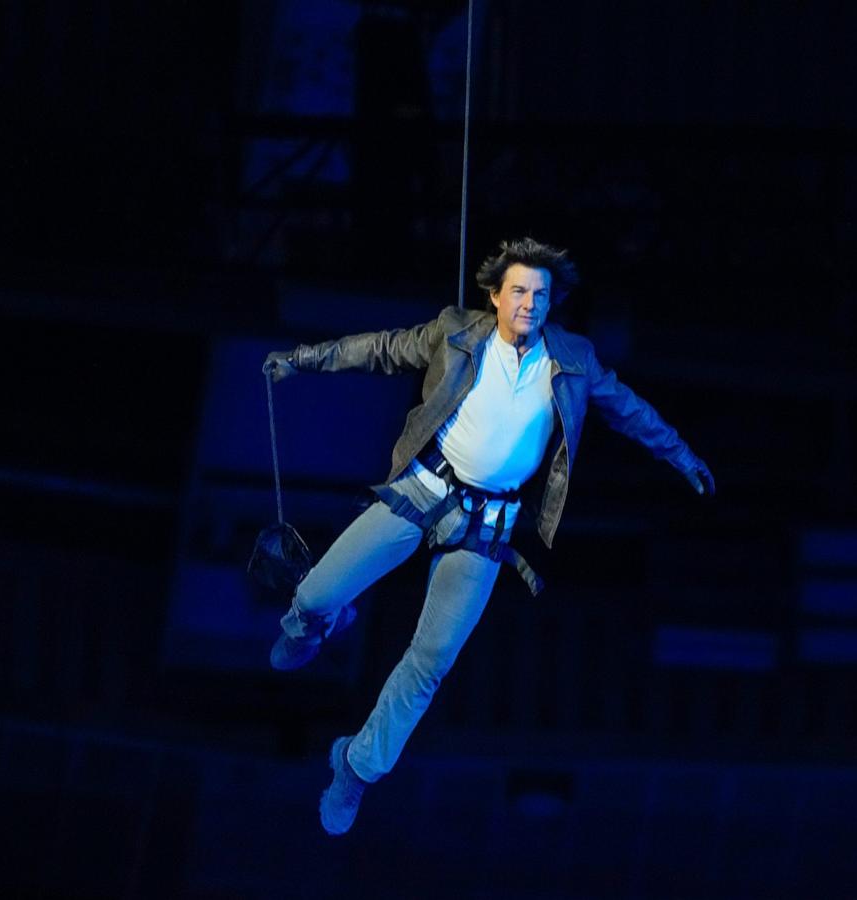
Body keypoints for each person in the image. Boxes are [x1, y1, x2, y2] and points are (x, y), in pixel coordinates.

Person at [262, 237, 714, 835]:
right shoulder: (455, 332)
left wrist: (679, 452)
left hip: (488, 526)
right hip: (424, 490)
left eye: (541, 295)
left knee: (429, 663)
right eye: (520, 291)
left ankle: (355, 766)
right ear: (496, 296)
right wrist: (303, 358)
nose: (530, 303)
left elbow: (627, 409)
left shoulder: (571, 358)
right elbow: (381, 349)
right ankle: (312, 624)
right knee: (317, 594)